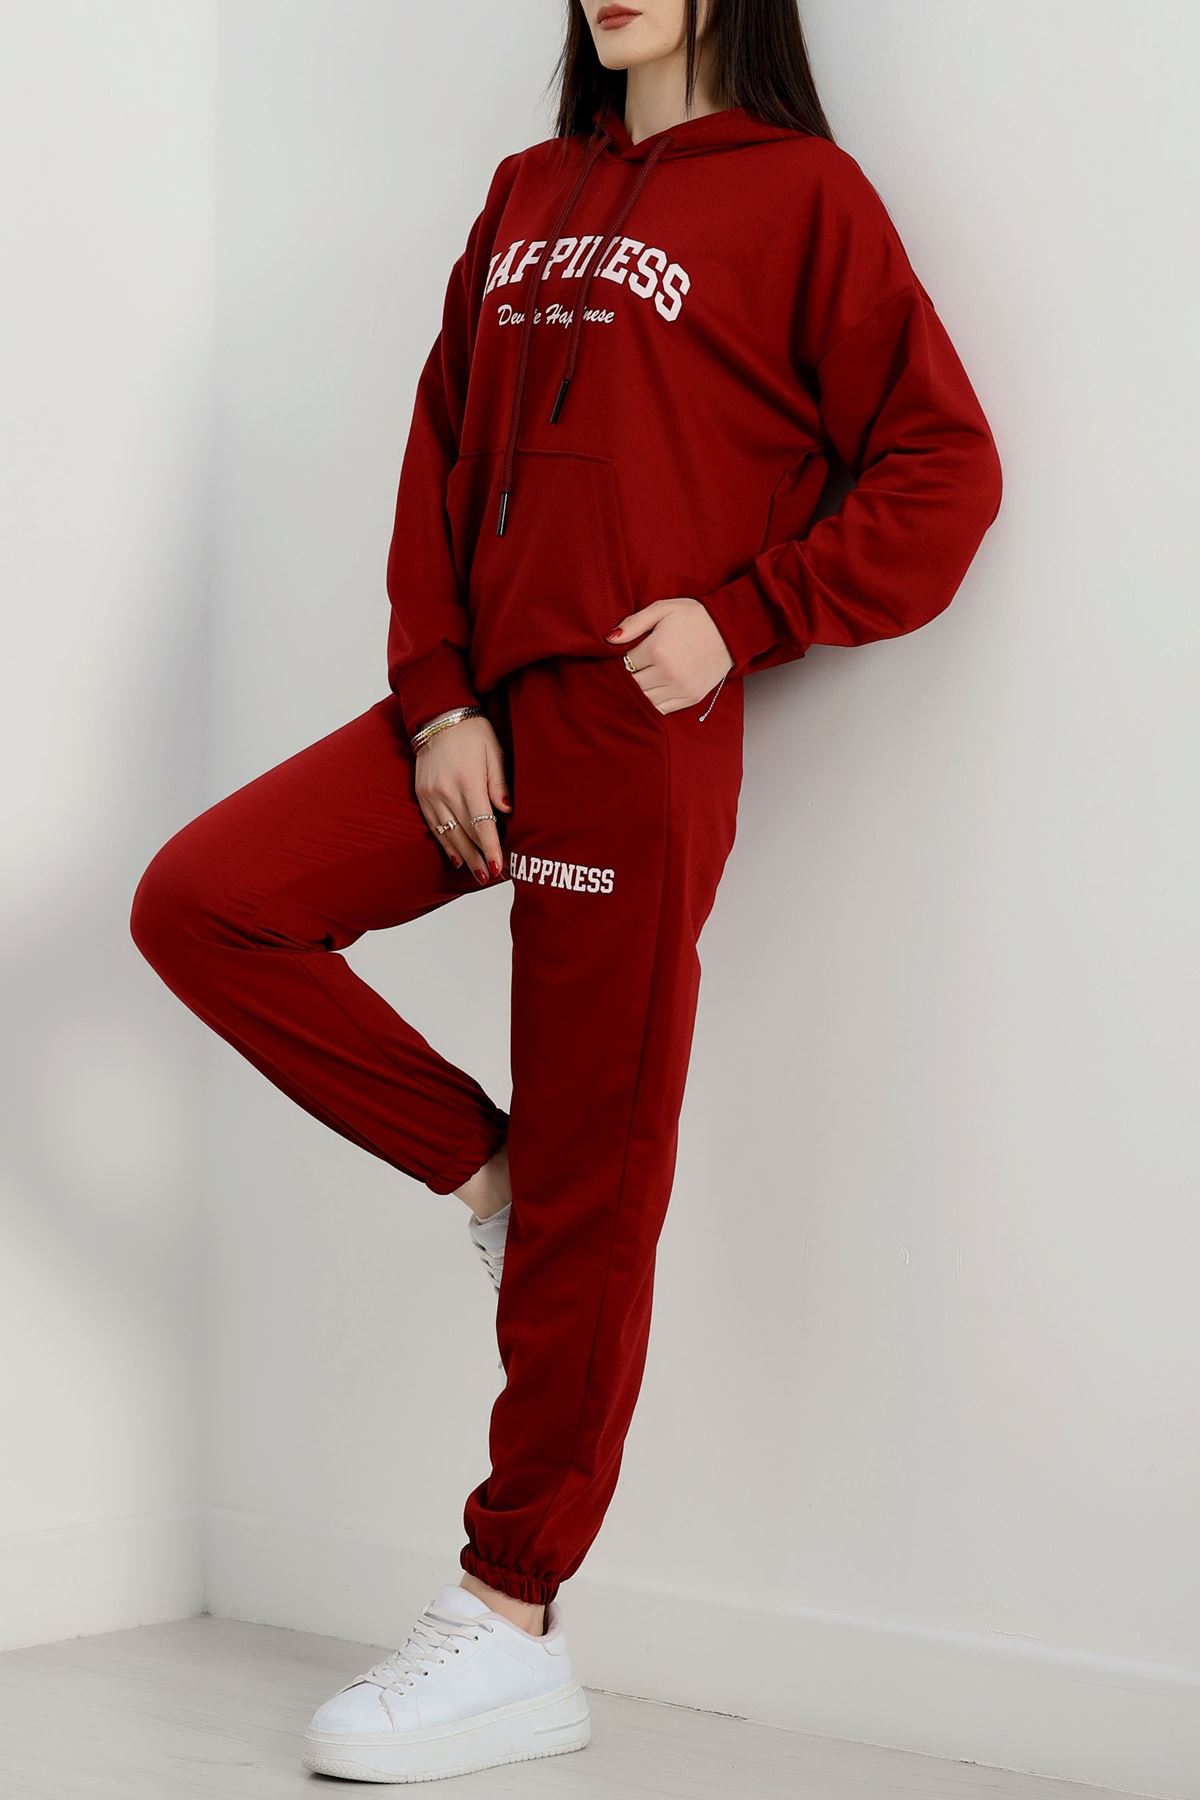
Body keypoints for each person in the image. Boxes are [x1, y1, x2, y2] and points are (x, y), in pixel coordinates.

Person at [130, 0, 1002, 1783]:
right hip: (475, 714)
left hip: (630, 726)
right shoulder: (529, 188)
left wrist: (747, 617)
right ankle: (495, 1172)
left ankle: (510, 1616)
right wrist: (437, 696)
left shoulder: (806, 199)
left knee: (605, 1179)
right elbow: (442, 454)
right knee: (204, 901)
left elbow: (945, 468)